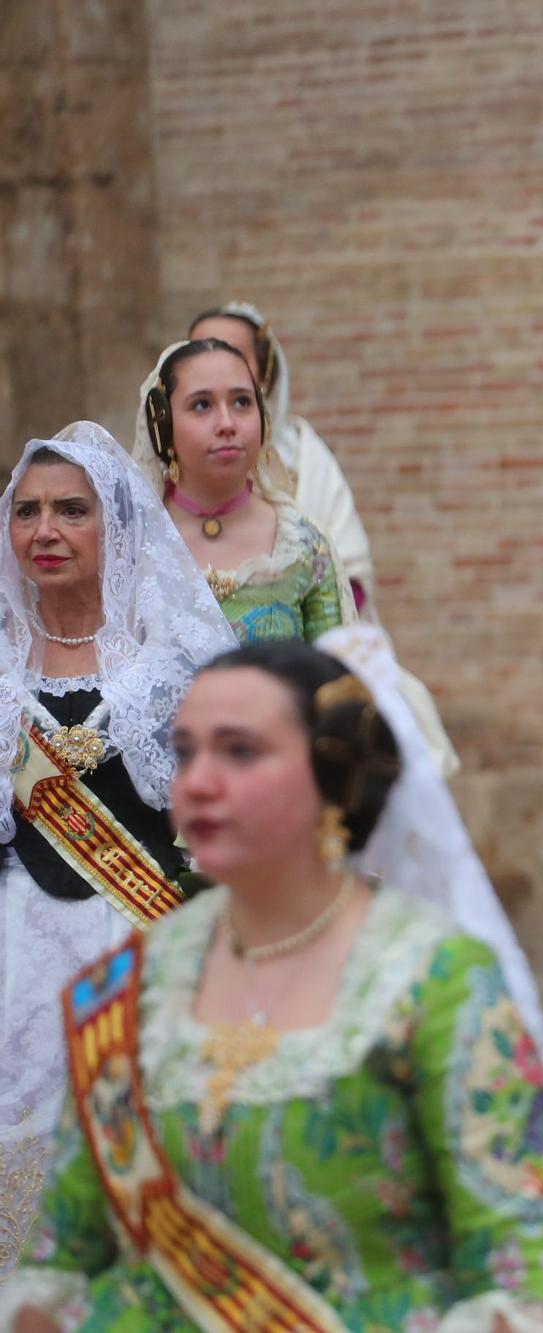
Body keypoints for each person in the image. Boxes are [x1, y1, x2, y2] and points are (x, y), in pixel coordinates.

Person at [0, 628, 543, 1331]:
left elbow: (517, 1269)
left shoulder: (436, 978)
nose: (195, 780)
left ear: (333, 773)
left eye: (240, 750)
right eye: (186, 750)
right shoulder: (128, 983)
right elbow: (63, 1254)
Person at [0, 423, 239, 1284]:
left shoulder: (171, 657)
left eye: (72, 509)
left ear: (117, 525)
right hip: (18, 955)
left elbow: (234, 804)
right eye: (26, 511)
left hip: (142, 940)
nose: (45, 531)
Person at [130, 339, 352, 641]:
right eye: (202, 405)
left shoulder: (302, 546)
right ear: (163, 423)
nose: (226, 423)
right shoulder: (131, 545)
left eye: (242, 403)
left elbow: (335, 681)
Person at [186, 303, 376, 614]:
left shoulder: (303, 455)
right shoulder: (162, 473)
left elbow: (350, 575)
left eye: (231, 353)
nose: (215, 365)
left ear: (264, 375)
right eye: (199, 352)